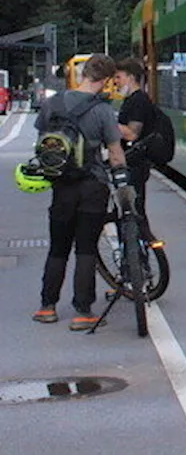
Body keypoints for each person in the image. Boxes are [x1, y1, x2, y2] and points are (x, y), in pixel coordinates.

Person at [31, 53, 127, 331]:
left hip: (61, 186)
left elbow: (42, 145)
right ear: (106, 80)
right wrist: (122, 179)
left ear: (83, 73)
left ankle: (46, 307)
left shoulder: (52, 104)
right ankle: (83, 311)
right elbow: (116, 152)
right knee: (85, 248)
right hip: (92, 186)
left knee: (57, 248)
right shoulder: (102, 110)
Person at [114, 57, 162, 246]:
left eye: (118, 77)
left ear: (131, 77)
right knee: (133, 210)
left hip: (135, 163)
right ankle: (138, 253)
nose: (115, 82)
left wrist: (107, 123)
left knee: (135, 210)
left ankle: (142, 252)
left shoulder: (139, 101)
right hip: (131, 162)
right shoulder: (132, 100)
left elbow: (132, 134)